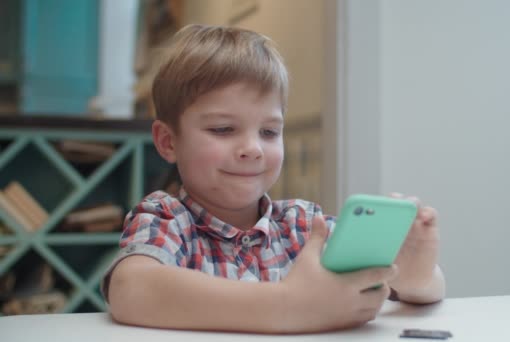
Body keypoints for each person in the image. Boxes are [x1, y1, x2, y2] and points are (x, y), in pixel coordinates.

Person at [102, 24, 445, 334]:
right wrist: (285, 305)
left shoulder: (304, 225)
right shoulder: (166, 218)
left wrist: (414, 274)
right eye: (223, 129)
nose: (253, 148)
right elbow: (131, 290)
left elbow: (409, 287)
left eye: (269, 131)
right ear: (168, 142)